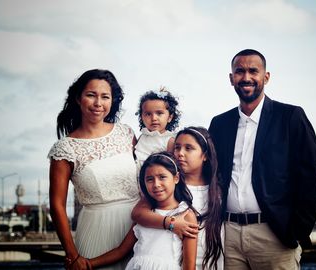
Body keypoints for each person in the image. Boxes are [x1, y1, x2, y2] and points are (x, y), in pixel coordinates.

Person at [208, 49, 316, 270]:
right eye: (239, 71)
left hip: (274, 235)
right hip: (228, 235)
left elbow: (309, 178)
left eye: (253, 71)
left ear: (266, 77)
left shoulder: (291, 117)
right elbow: (211, 175)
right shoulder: (219, 124)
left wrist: (297, 231)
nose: (246, 77)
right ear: (231, 79)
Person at [48, 69, 140, 270]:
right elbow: (56, 205)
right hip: (97, 232)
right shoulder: (65, 149)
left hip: (138, 229)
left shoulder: (126, 133)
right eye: (91, 95)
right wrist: (72, 255)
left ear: (112, 101)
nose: (98, 103)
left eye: (105, 97)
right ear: (78, 98)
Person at [132, 127, 224, 270]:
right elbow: (138, 214)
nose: (180, 153)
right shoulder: (169, 187)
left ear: (205, 155)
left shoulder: (216, 189)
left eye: (189, 148)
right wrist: (171, 223)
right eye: (177, 147)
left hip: (210, 255)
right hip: (177, 259)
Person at [88, 152, 198, 270]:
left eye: (162, 177)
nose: (156, 184)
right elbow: (120, 251)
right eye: (150, 179)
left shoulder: (186, 215)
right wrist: (88, 263)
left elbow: (189, 266)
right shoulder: (145, 216)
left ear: (176, 178)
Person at [134, 87, 181, 168]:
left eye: (159, 113)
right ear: (142, 117)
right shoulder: (142, 136)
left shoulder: (169, 141)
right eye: (148, 114)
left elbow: (172, 167)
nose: (154, 118)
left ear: (170, 117)